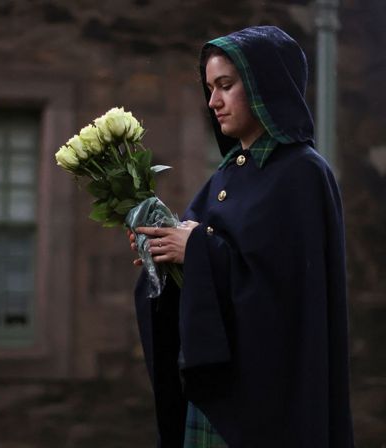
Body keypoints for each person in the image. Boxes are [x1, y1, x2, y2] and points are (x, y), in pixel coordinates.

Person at [128, 26, 354, 447]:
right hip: (216, 392)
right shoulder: (226, 175)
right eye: (210, 87)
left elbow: (286, 296)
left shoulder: (302, 173)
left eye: (226, 86)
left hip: (267, 405)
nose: (213, 101)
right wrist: (161, 250)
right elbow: (202, 259)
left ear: (263, 86)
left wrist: (193, 250)